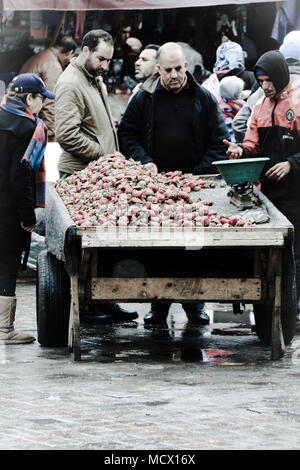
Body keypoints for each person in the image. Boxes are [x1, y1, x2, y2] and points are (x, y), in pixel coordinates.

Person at [118, 42, 230, 326]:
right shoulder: (143, 98)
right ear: (158, 69)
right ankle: (159, 306)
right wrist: (146, 163)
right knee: (159, 247)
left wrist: (198, 174)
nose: (175, 75)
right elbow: (127, 136)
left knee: (195, 248)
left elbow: (219, 141)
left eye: (179, 68)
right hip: (156, 187)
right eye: (168, 70)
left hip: (195, 187)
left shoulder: (203, 98)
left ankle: (195, 305)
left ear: (186, 67)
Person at [55, 29, 137, 323]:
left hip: (100, 173)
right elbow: (66, 134)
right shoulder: (71, 83)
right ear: (85, 50)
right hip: (80, 175)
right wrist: (102, 153)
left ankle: (105, 301)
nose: (105, 65)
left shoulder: (93, 79)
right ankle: (88, 306)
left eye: (108, 60)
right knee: (87, 245)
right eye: (101, 58)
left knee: (106, 243)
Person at [224, 50, 300, 322]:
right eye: (260, 80)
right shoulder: (259, 108)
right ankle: (267, 319)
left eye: (269, 80)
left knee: (295, 255)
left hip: (296, 195)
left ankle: (293, 312)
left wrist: (292, 163)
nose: (265, 86)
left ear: (280, 76)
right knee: (268, 257)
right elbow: (252, 146)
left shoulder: (298, 102)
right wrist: (238, 150)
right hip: (268, 195)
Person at [0, 73, 55, 344]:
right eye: (41, 100)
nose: (42, 106)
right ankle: (4, 330)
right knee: (7, 264)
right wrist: (28, 216)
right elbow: (20, 176)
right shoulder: (28, 128)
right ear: (29, 98)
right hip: (7, 208)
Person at [232, 30, 300, 143]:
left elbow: (238, 124)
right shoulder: (266, 87)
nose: (265, 86)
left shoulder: (260, 90)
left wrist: (261, 149)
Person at [20, 35, 77, 142]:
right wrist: (50, 135)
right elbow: (50, 104)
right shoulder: (53, 66)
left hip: (22, 115)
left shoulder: (44, 55)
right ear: (70, 52)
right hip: (27, 117)